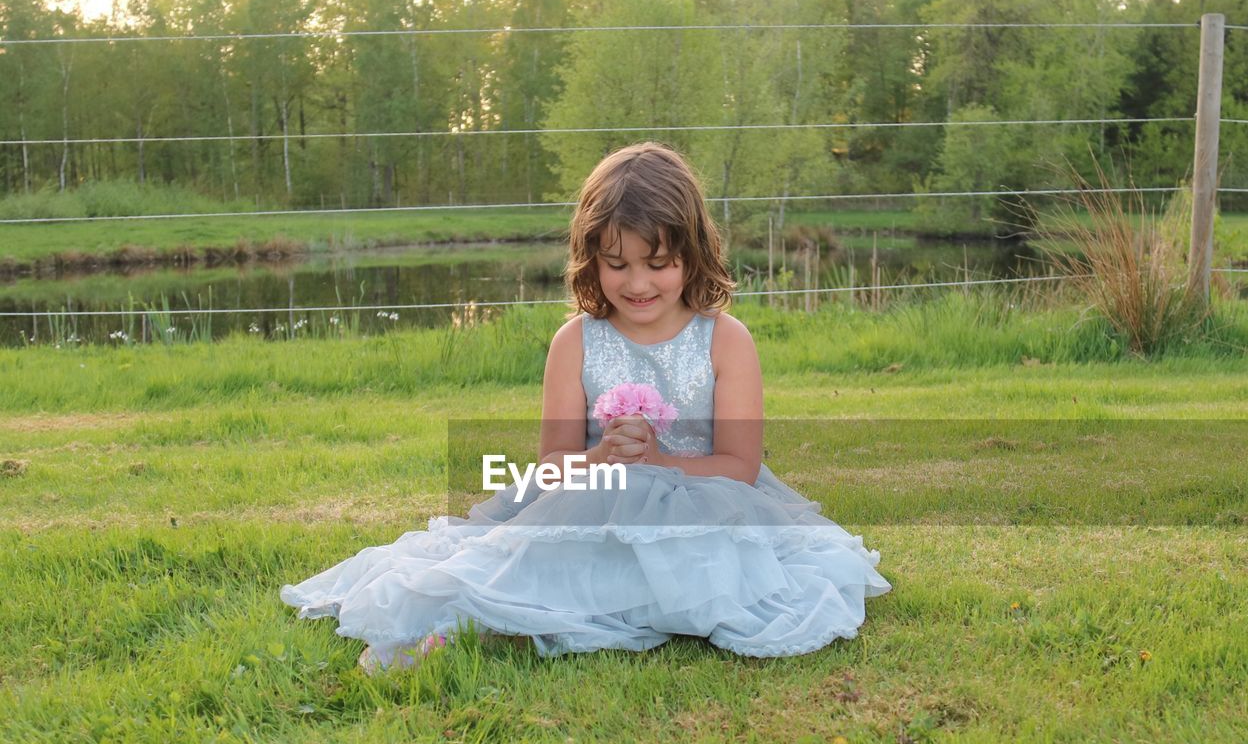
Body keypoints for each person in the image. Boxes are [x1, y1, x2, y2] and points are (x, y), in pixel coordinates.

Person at [280, 142, 890, 671]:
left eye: (659, 263)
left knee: (706, 578)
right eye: (616, 263)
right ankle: (464, 623)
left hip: (704, 508)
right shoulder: (576, 342)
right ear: (590, 257)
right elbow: (551, 466)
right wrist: (602, 454)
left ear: (693, 253)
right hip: (592, 504)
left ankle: (563, 612)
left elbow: (740, 464)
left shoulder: (725, 339)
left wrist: (658, 462)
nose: (637, 284)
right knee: (539, 556)